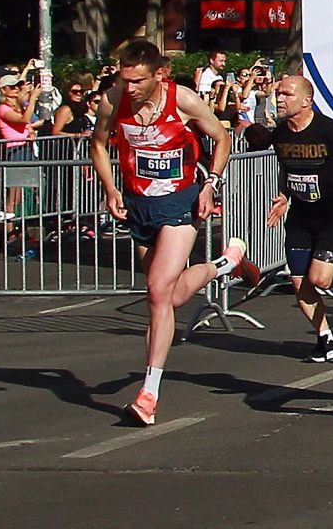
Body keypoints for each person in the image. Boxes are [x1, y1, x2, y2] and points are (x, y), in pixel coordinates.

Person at [89, 39, 253, 425]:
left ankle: (148, 395)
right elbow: (98, 144)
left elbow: (222, 138)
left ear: (158, 75)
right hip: (139, 204)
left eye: (138, 81)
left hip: (180, 202)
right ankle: (225, 264)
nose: (130, 88)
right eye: (125, 79)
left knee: (157, 292)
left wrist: (211, 184)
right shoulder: (112, 101)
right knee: (170, 295)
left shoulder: (183, 100)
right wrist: (110, 189)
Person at [264, 75, 333, 363]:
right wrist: (284, 195)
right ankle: (326, 338)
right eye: (279, 94)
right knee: (300, 281)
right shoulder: (280, 134)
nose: (280, 99)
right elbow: (286, 166)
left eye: (287, 94)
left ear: (306, 101)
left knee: (320, 279)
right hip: (301, 215)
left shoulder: (331, 131)